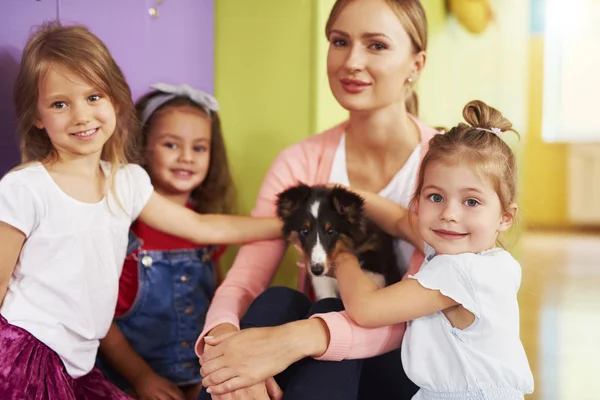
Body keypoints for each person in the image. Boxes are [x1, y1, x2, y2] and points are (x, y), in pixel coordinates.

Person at [0, 22, 280, 399]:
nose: (81, 115)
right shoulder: (25, 188)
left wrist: (284, 225)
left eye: (93, 97)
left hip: (80, 362)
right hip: (28, 351)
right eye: (60, 104)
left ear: (115, 100)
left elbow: (200, 227)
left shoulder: (126, 182)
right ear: (38, 116)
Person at [197, 0, 438, 398]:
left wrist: (303, 338)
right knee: (275, 300)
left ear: (416, 64)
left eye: (376, 45)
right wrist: (226, 349)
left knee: (327, 310)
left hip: (404, 360)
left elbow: (421, 315)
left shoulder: (444, 169)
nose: (352, 62)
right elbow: (245, 279)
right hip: (324, 363)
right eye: (340, 41)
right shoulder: (300, 162)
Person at [333, 100, 535, 399]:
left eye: (471, 202)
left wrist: (339, 254)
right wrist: (349, 195)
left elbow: (366, 309)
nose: (449, 214)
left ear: (505, 217)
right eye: (435, 197)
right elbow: (400, 219)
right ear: (417, 202)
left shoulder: (458, 270)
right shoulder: (491, 261)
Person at [97, 83, 235, 400]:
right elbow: (101, 320)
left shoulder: (210, 227)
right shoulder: (125, 228)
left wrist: (216, 370)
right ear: (143, 146)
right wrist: (142, 377)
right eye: (171, 145)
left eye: (199, 148)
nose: (186, 157)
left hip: (198, 373)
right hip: (132, 377)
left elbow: (220, 300)